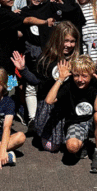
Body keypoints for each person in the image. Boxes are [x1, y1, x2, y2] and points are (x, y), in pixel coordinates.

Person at [11, 21, 81, 150]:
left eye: (72, 41)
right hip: (50, 105)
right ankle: (43, 132)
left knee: (71, 144)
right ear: (57, 39)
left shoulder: (77, 59)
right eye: (65, 41)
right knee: (51, 147)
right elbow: (36, 81)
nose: (68, 45)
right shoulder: (46, 58)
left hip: (69, 105)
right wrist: (23, 70)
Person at [44, 55, 97, 161]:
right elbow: (49, 100)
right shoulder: (69, 85)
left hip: (94, 121)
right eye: (76, 75)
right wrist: (60, 79)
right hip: (76, 123)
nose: (80, 79)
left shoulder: (95, 82)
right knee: (72, 147)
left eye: (84, 76)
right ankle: (84, 143)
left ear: (91, 75)